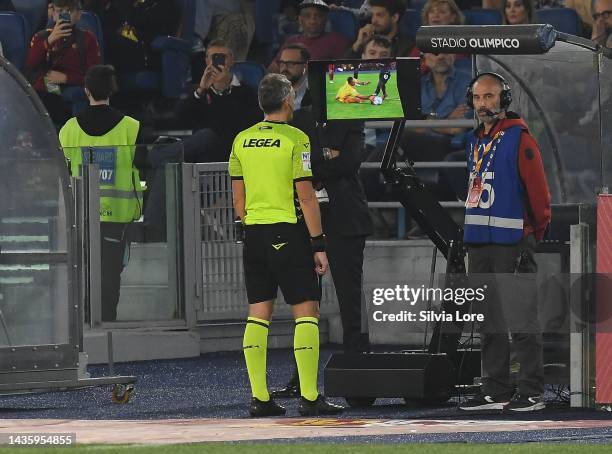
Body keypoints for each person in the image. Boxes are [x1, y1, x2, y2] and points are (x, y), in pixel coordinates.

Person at [229, 73, 344, 417]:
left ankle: (259, 398)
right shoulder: (296, 139)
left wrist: (253, 224)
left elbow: (238, 199)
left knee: (258, 313)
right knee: (306, 312)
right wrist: (318, 243)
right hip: (288, 232)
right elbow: (306, 196)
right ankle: (310, 397)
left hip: (254, 234)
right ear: (289, 101)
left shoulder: (241, 139)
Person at [458, 73, 551, 412]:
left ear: (504, 99)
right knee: (488, 319)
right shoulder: (475, 140)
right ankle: (495, 389)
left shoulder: (520, 138)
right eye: (479, 98)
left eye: (491, 97)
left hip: (513, 240)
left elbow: (539, 192)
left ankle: (532, 391)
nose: (484, 104)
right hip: (480, 241)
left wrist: (534, 233)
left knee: (521, 318)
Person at [59, 65, 145, 322]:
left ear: (86, 91)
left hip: (81, 215)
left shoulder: (68, 130)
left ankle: (85, 323)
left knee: (83, 272)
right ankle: (107, 322)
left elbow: (63, 175)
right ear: (113, 90)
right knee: (110, 275)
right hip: (117, 217)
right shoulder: (132, 127)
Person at [26, 0, 101, 126]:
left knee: (46, 98)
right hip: (50, 85)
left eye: (69, 11)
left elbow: (95, 77)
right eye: (60, 11)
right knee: (40, 93)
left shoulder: (88, 39)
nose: (64, 15)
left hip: (76, 83)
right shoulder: (42, 37)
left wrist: (67, 78)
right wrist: (49, 41)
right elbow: (30, 66)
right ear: (53, 14)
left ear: (78, 14)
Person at [268, 0, 349, 73]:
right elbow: (273, 69)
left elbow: (345, 71)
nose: (312, 21)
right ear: (300, 20)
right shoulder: (291, 41)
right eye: (307, 16)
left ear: (325, 19)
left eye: (318, 16)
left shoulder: (337, 40)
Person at [345, 0, 414, 58]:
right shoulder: (365, 38)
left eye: (379, 15)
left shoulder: (406, 46)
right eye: (373, 15)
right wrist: (357, 45)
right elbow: (342, 71)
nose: (373, 21)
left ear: (394, 17)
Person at [277, 43, 311, 110]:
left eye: (290, 64)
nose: (284, 68)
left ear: (305, 66)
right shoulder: (273, 90)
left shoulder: (315, 93)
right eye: (282, 63)